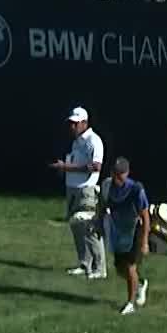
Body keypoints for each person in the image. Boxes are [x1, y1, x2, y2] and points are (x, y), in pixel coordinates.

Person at [52, 106, 107, 279]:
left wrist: (67, 167)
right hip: (72, 189)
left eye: (75, 123)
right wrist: (65, 169)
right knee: (76, 228)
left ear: (85, 123)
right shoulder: (76, 142)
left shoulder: (94, 140)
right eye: (70, 123)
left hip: (86, 190)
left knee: (90, 229)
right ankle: (85, 264)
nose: (72, 127)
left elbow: (96, 166)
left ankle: (100, 268)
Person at [99, 158, 152, 315]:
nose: (117, 177)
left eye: (121, 174)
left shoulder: (136, 189)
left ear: (127, 173)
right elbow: (103, 205)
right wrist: (99, 222)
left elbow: (145, 216)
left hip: (134, 230)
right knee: (119, 269)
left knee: (129, 267)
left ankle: (130, 303)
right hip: (118, 231)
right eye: (115, 173)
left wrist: (144, 241)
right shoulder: (108, 186)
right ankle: (141, 284)